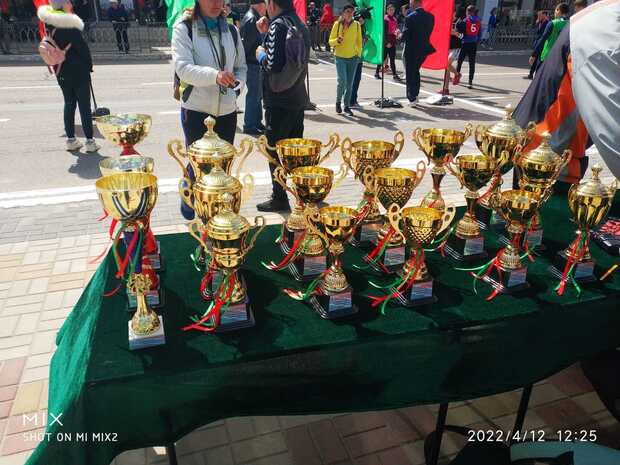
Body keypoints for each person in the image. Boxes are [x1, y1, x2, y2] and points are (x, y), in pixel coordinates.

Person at [513, 0, 620, 184]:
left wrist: (536, 54)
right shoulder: (605, 28)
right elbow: (610, 124)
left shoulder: (589, 17)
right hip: (547, 158)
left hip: (557, 151)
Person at [172, 0, 247, 220]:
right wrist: (215, 76)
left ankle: (218, 214)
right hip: (197, 110)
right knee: (200, 165)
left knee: (221, 168)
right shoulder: (184, 28)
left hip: (227, 112)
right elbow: (183, 68)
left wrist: (237, 87)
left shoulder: (231, 31)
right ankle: (191, 194)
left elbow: (241, 66)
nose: (216, 3)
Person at [254, 0, 310, 212]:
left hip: (278, 101)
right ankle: (305, 194)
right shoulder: (299, 23)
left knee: (275, 152)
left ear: (272, 4)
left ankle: (279, 197)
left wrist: (260, 53)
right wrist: (265, 35)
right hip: (297, 96)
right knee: (296, 151)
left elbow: (272, 64)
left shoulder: (278, 26)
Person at [38, 0, 99, 152]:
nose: (70, 3)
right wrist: (89, 65)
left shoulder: (48, 24)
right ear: (62, 4)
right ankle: (90, 142)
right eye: (67, 1)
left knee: (69, 103)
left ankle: (71, 140)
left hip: (60, 69)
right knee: (84, 106)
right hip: (78, 69)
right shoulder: (69, 23)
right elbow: (82, 48)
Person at [329, 4, 362, 116]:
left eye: (352, 12)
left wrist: (358, 54)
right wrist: (337, 41)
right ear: (343, 13)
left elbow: (359, 41)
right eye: (347, 11)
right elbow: (330, 41)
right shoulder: (337, 24)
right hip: (340, 57)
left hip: (353, 58)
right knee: (342, 81)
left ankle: (346, 106)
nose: (350, 14)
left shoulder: (357, 25)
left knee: (350, 84)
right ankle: (338, 102)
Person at [240, 0, 266, 135]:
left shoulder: (252, 17)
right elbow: (247, 45)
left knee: (257, 95)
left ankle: (256, 122)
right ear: (260, 5)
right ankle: (250, 124)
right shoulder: (252, 19)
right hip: (252, 62)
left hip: (253, 62)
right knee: (254, 95)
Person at [402, 0, 434, 106]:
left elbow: (405, 36)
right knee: (415, 71)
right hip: (424, 49)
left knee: (410, 73)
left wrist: (399, 35)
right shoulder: (430, 17)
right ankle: (415, 95)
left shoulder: (410, 17)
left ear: (414, 3)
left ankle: (412, 97)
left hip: (412, 50)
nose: (410, 5)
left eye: (411, 3)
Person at [529, 3, 569, 71]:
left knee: (540, 76)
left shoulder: (552, 23)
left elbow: (542, 39)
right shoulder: (569, 24)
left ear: (558, 10)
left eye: (555, 10)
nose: (554, 12)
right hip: (561, 58)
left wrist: (534, 55)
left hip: (547, 55)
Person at [456, 5, 481, 90]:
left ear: (468, 11)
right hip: (473, 44)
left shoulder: (465, 20)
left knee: (460, 61)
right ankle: (470, 82)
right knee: (472, 63)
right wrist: (476, 40)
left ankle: (457, 78)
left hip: (465, 43)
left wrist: (458, 23)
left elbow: (460, 31)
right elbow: (479, 34)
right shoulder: (478, 21)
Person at [375, 3, 401, 81]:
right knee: (382, 58)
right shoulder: (385, 19)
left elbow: (396, 29)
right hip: (386, 42)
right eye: (390, 10)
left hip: (392, 42)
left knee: (392, 60)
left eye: (393, 10)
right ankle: (377, 73)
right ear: (387, 10)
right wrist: (386, 43)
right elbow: (383, 32)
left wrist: (398, 32)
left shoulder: (395, 19)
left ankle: (394, 75)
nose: (391, 11)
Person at [525, 10, 549, 79]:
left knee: (540, 60)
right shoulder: (539, 22)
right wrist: (537, 22)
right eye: (538, 15)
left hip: (543, 44)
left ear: (544, 15)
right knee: (534, 59)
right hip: (537, 43)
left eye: (540, 15)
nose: (538, 17)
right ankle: (531, 74)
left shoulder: (548, 23)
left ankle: (537, 76)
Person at [349, 16, 366, 109]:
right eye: (361, 18)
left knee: (357, 79)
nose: (362, 20)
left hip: (359, 58)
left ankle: (353, 100)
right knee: (352, 80)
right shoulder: (354, 28)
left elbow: (362, 44)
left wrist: (365, 40)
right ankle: (351, 101)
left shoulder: (362, 28)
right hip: (353, 57)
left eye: (363, 19)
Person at [449, 8, 465, 85]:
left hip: (456, 47)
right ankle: (447, 83)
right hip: (448, 46)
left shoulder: (460, 22)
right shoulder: (448, 21)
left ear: (455, 13)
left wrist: (455, 33)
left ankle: (457, 74)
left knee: (447, 64)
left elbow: (462, 36)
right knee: (446, 65)